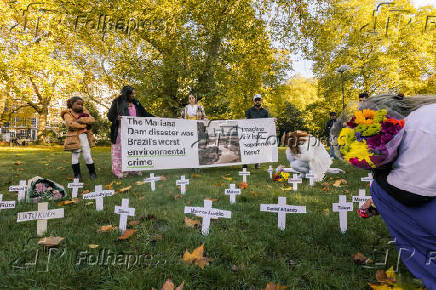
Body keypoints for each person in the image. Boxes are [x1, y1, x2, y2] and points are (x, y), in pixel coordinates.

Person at [356, 93, 436, 289]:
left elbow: (412, 193)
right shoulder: (425, 113)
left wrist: (379, 184)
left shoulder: (416, 130)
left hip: (418, 196)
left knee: (381, 192)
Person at [107, 86, 154, 178]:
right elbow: (110, 116)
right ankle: (118, 170)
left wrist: (158, 119)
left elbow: (145, 114)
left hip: (134, 132)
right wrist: (117, 118)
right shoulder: (117, 102)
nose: (133, 95)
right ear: (126, 94)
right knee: (119, 151)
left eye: (134, 93)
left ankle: (133, 169)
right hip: (120, 131)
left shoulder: (136, 102)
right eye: (132, 94)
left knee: (133, 150)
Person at [61, 96, 97, 180]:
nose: (80, 106)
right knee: (75, 155)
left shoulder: (84, 112)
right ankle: (77, 174)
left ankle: (92, 173)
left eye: (81, 104)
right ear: (71, 104)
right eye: (78, 104)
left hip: (84, 137)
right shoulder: (67, 114)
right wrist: (84, 125)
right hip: (73, 138)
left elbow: (92, 120)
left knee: (87, 155)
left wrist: (80, 120)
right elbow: (70, 124)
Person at [244, 94, 270, 169]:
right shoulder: (249, 110)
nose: (258, 101)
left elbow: (267, 122)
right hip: (250, 133)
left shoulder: (265, 111)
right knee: (248, 147)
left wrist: (273, 121)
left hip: (260, 133)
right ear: (254, 101)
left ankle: (257, 163)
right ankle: (245, 163)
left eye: (259, 100)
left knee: (258, 148)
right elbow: (245, 120)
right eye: (256, 100)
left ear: (261, 101)